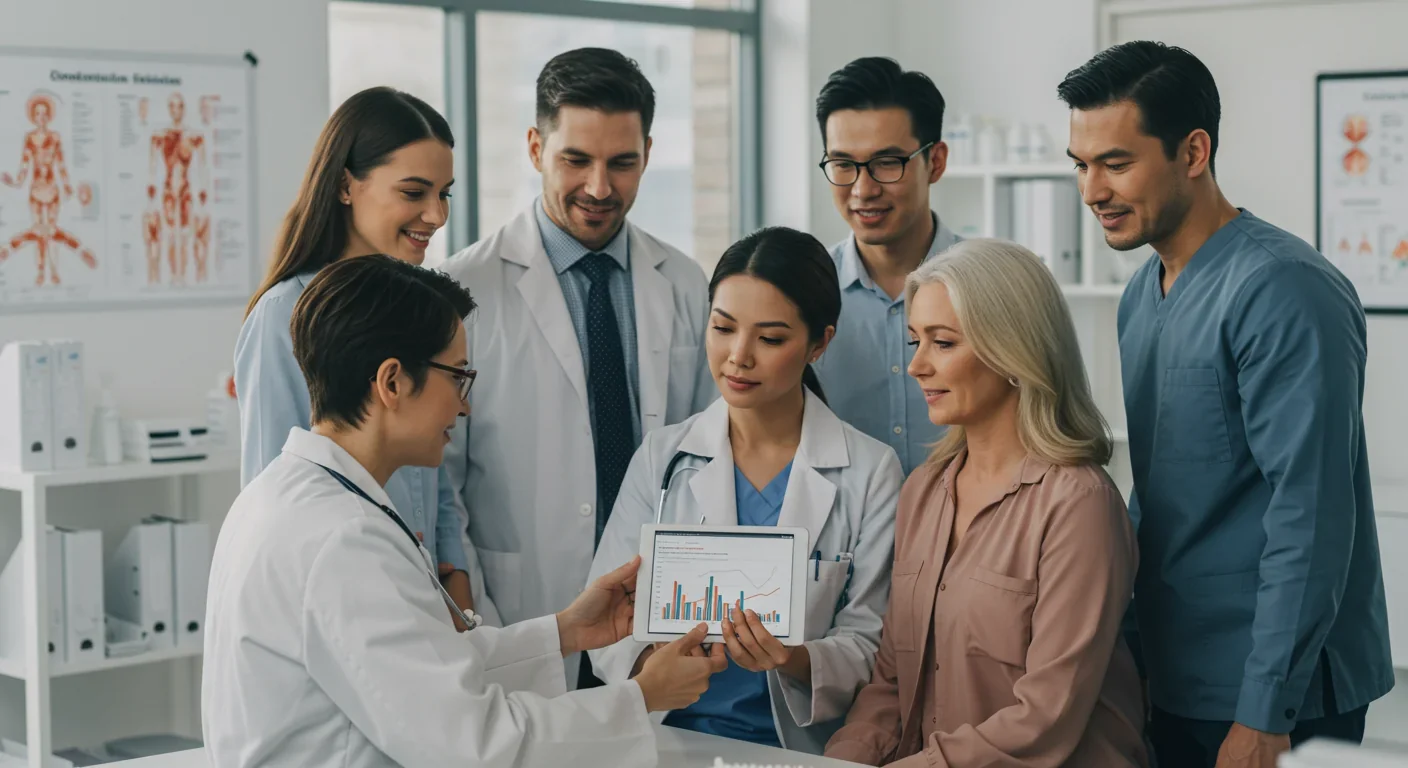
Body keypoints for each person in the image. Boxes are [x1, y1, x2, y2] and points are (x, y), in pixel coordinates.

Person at [202, 255, 726, 768]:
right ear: (392, 382)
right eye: (457, 377)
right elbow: (475, 745)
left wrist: (565, 631)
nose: (464, 405)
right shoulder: (344, 539)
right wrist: (641, 697)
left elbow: (423, 671)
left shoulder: (287, 496)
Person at [1060, 41, 1392, 768]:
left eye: (1116, 163)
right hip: (1179, 672)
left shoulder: (1283, 290)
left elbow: (1310, 513)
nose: (1091, 190)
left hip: (1278, 692)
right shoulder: (1140, 297)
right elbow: (1163, 496)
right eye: (1080, 165)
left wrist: (1266, 709)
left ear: (1194, 151)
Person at [441, 47, 714, 687]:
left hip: (653, 614)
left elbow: (704, 456)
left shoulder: (682, 282)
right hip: (520, 613)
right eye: (575, 160)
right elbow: (441, 483)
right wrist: (478, 619)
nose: (599, 187)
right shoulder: (461, 289)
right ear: (536, 147)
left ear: (647, 152)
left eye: (622, 163)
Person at [825, 239, 1147, 767]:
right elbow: (891, 679)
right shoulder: (922, 491)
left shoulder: (1079, 504)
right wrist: (841, 761)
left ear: (1013, 350)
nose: (917, 367)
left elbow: (1046, 714)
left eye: (943, 343)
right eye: (915, 342)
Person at [587, 227, 903, 753]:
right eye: (723, 328)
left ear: (820, 343)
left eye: (770, 338)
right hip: (667, 738)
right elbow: (609, 617)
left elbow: (872, 642)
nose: (738, 356)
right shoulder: (664, 458)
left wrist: (792, 657)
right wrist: (651, 666)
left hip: (798, 747)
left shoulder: (870, 471)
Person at [235, 86, 495, 628]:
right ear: (347, 185)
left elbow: (433, 469)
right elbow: (272, 498)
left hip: (425, 595)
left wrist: (455, 580)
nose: (436, 214)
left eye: (445, 193)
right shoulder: (285, 313)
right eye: (414, 192)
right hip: (347, 605)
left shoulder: (414, 305)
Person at [810, 57, 961, 476]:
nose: (862, 189)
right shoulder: (801, 295)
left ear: (936, 162)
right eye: (843, 164)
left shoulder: (997, 289)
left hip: (974, 536)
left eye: (887, 163)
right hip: (841, 537)